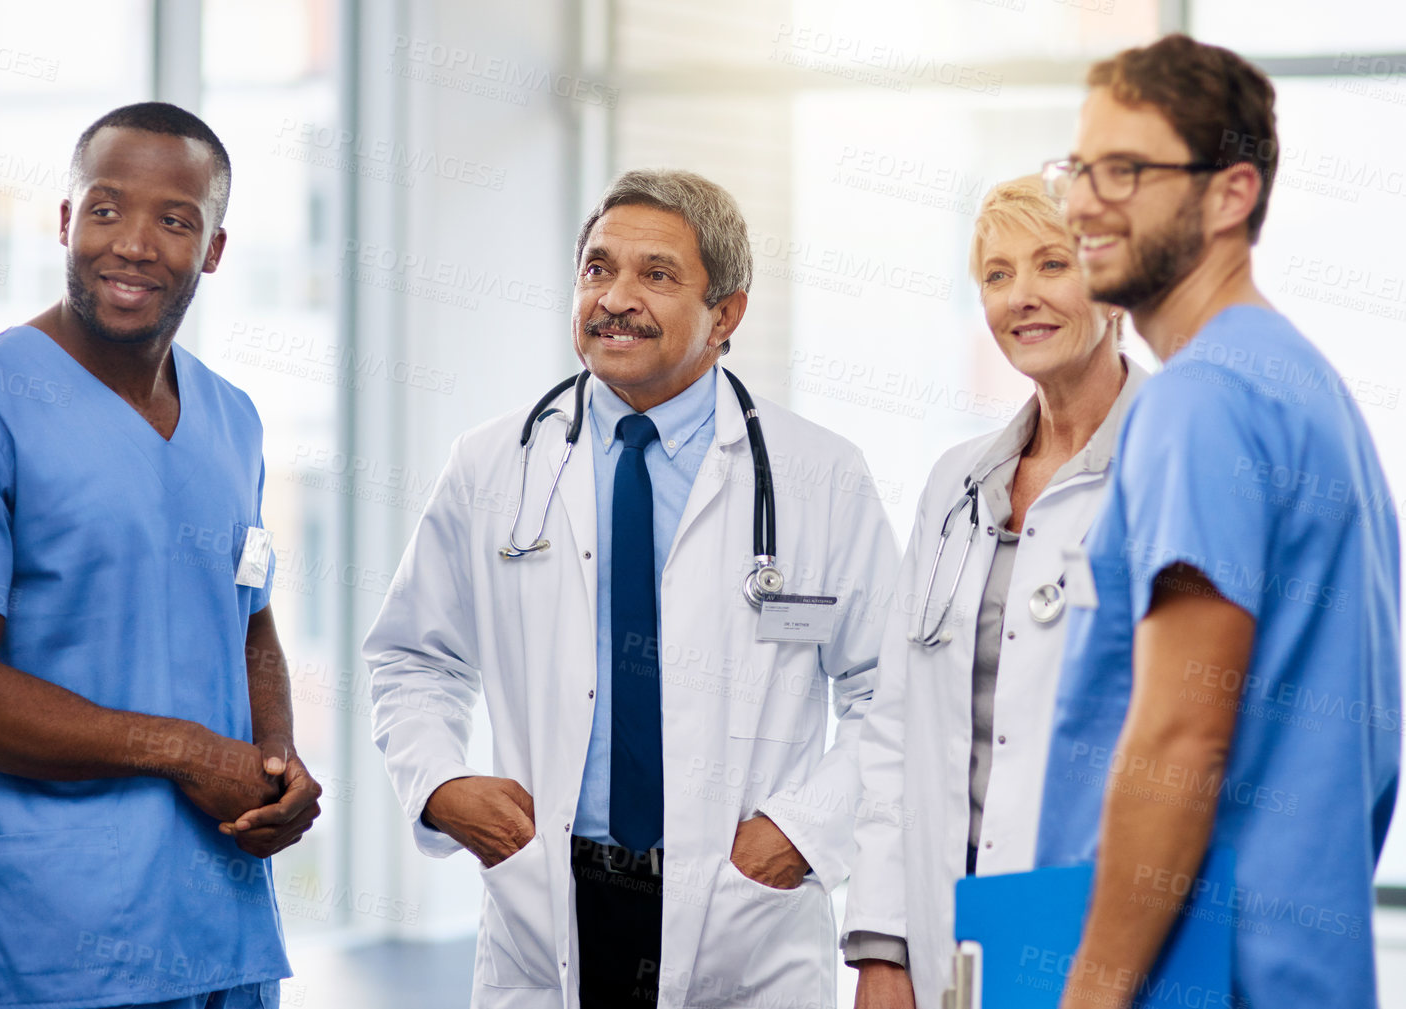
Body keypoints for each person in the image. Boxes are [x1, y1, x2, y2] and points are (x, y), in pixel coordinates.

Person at [366, 169, 899, 1009]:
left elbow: (890, 690)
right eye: (594, 268)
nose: (614, 298)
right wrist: (440, 783)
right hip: (548, 893)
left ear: (725, 313)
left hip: (741, 907)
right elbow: (410, 656)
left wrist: (793, 834)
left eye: (655, 274)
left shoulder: (817, 475)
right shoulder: (493, 463)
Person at [0, 102, 321, 1009]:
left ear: (215, 249)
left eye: (175, 219)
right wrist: (185, 749)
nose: (135, 245)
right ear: (67, 221)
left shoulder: (232, 419)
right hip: (50, 944)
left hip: (221, 935)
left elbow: (246, 614)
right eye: (107, 210)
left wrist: (275, 756)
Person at [1032, 35, 1400, 1009]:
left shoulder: (1197, 402)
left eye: (1124, 170)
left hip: (1199, 977)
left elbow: (1177, 736)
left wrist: (1089, 994)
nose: (1079, 203)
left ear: (1229, 193)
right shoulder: (1301, 389)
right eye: (1076, 168)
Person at [840, 175, 1149, 1009]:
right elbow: (895, 726)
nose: (1022, 297)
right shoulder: (956, 484)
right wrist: (881, 948)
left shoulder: (1168, 464)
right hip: (953, 928)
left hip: (1103, 928)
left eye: (1053, 264)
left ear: (1113, 284)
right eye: (997, 274)